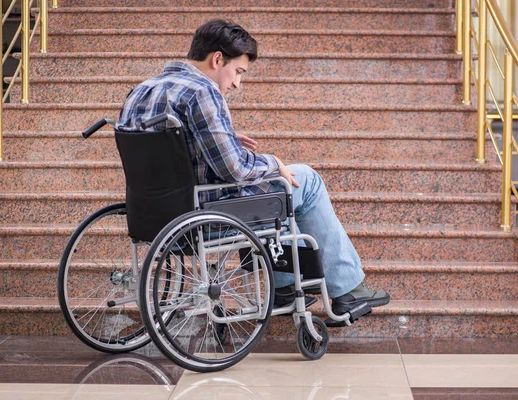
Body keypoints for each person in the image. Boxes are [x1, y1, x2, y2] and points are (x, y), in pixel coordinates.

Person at [115, 19, 390, 323]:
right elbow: (234, 169)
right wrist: (273, 162)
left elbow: (173, 155)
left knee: (278, 197)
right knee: (304, 181)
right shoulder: (202, 92)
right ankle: (345, 288)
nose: (236, 84)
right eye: (238, 72)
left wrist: (228, 141)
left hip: (154, 216)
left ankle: (285, 286)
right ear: (217, 59)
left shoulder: (139, 91)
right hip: (207, 215)